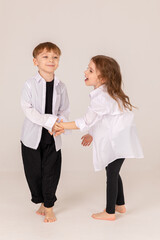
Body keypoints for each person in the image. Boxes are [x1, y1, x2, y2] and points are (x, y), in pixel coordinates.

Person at [52, 55, 144, 221]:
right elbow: (103, 119)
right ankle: (120, 205)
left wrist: (61, 125)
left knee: (112, 173)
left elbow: (86, 121)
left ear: (103, 78)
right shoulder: (107, 93)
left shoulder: (101, 97)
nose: (85, 71)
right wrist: (92, 134)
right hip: (120, 141)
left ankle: (110, 212)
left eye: (91, 70)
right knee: (113, 171)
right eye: (87, 68)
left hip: (118, 143)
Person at [20, 42, 70, 223]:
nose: (51, 60)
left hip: (52, 137)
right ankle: (41, 201)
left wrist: (60, 125)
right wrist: (50, 122)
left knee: (51, 172)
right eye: (45, 57)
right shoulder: (29, 85)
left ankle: (49, 206)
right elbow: (28, 110)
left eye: (55, 57)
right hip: (31, 137)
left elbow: (64, 110)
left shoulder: (61, 86)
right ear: (35, 62)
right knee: (34, 174)